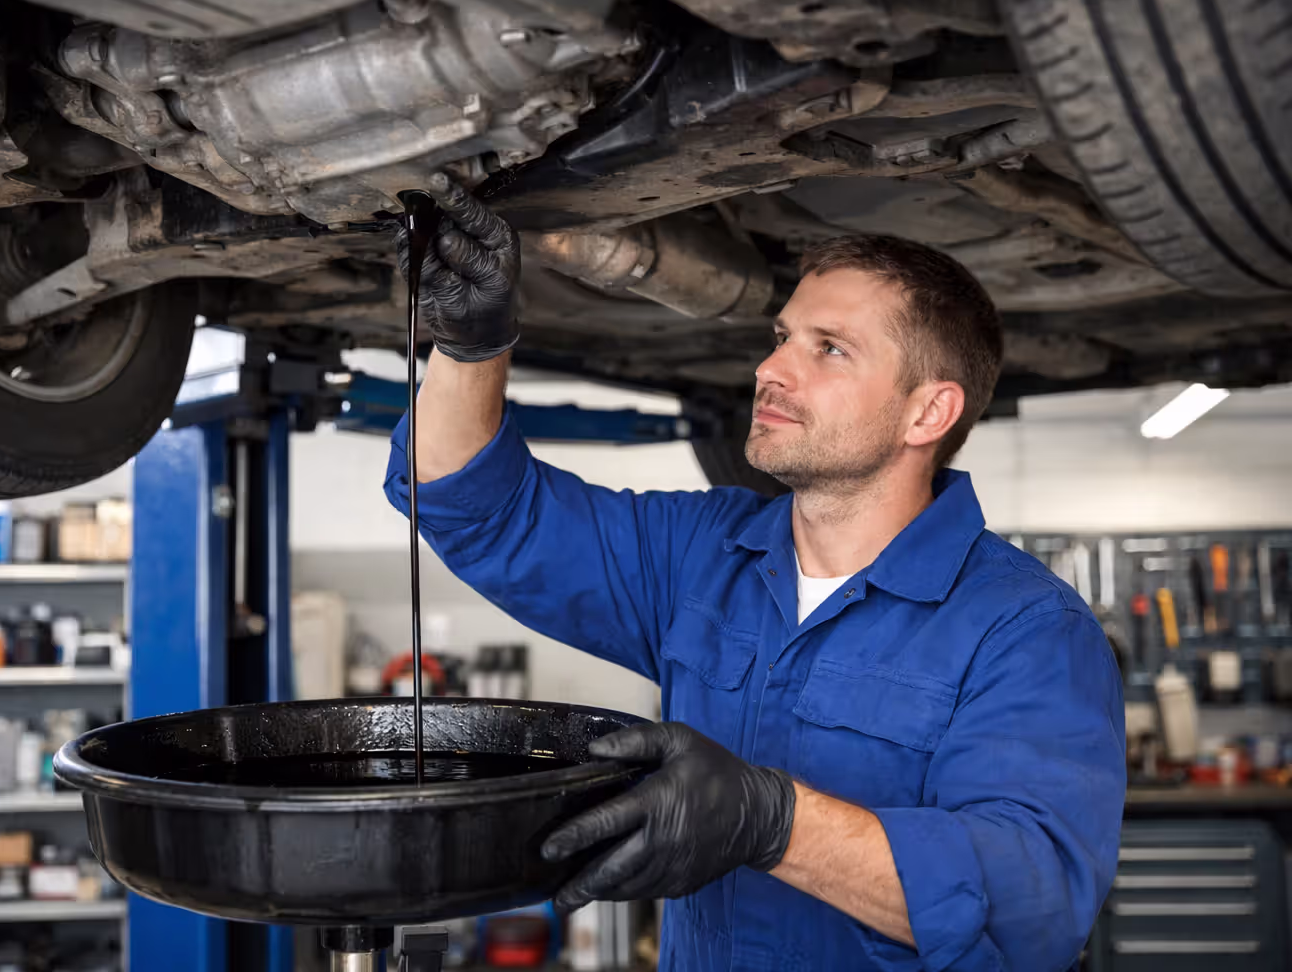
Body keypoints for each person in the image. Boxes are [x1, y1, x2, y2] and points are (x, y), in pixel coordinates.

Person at [386, 173, 1125, 971]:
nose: (773, 369)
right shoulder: (704, 553)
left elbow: (1033, 908)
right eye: (781, 336)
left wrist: (774, 822)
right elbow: (473, 507)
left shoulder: (1025, 631)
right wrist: (467, 348)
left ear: (928, 413)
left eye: (829, 349)